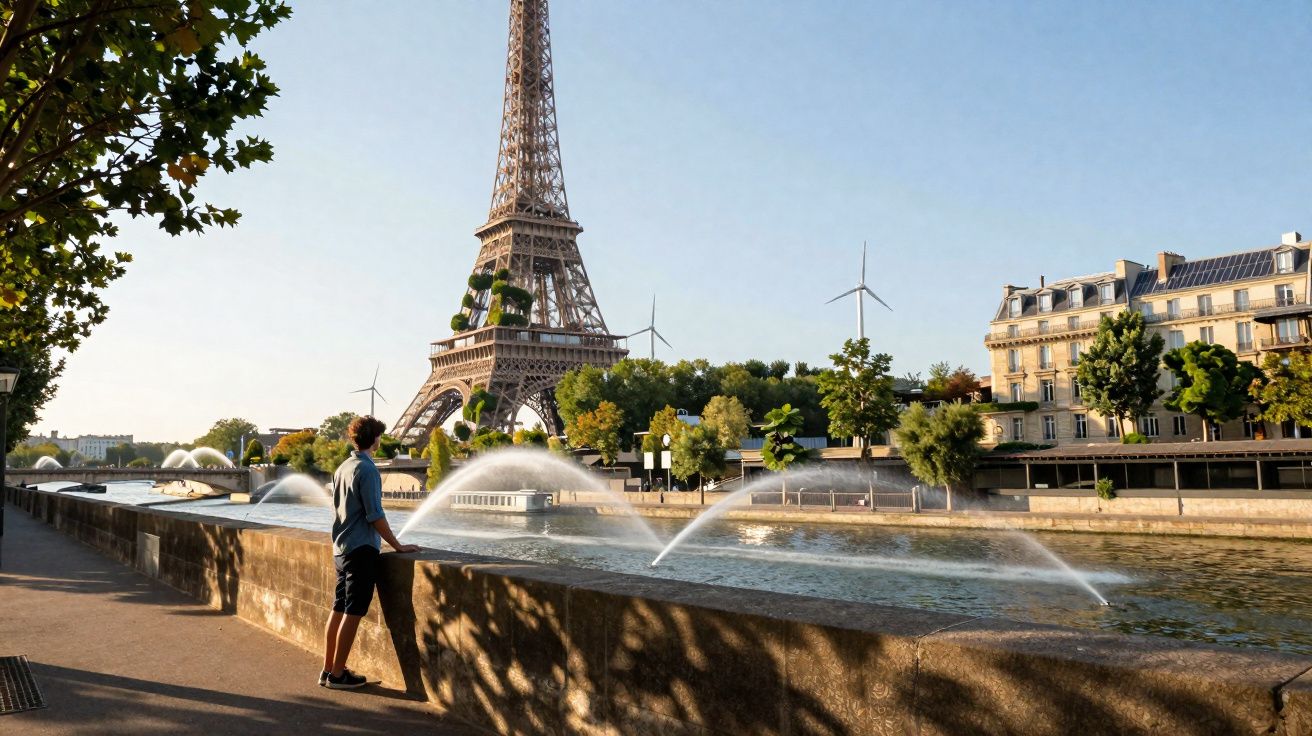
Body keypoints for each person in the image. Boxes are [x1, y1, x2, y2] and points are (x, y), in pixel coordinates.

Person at [320, 416, 419, 690]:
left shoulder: (343, 468)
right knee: (353, 612)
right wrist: (397, 545)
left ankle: (328, 668)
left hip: (341, 548)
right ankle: (338, 675)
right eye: (379, 436)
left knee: (338, 608)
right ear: (375, 438)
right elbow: (375, 515)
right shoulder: (368, 470)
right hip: (361, 549)